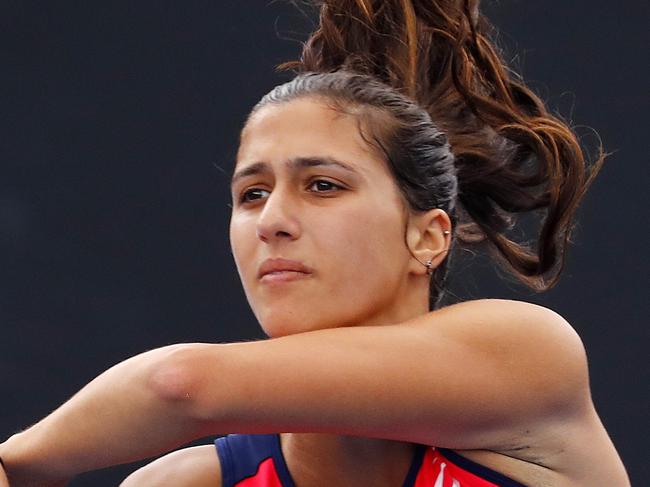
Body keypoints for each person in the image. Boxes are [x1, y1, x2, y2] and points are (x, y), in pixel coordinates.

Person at [0, 1, 629, 486]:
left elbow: (181, 384)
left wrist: (21, 461)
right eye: (251, 194)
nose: (272, 219)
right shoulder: (183, 481)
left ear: (427, 235)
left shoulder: (527, 362)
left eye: (322, 185)